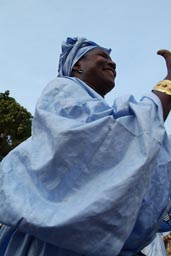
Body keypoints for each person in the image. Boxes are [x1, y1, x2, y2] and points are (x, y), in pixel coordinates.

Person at [0, 37, 171, 256]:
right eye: (103, 56)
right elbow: (109, 142)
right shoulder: (62, 89)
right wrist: (167, 86)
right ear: (77, 65)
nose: (112, 63)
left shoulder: (97, 112)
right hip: (48, 245)